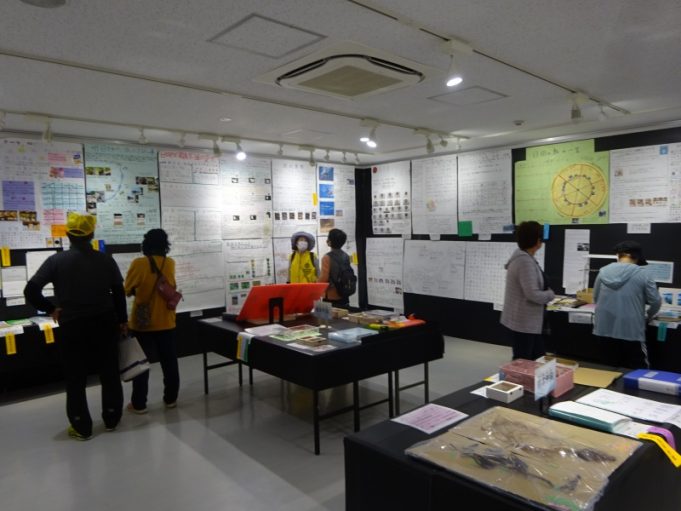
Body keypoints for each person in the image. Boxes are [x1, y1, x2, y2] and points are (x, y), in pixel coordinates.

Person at [24, 212, 127, 440]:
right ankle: (112, 418)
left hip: (72, 326)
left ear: (68, 234)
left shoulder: (56, 261)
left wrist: (51, 309)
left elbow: (30, 290)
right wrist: (122, 321)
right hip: (105, 324)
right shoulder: (105, 260)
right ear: (91, 234)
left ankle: (81, 427)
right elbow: (119, 293)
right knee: (109, 373)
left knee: (75, 377)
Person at [124, 229, 179, 413]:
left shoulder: (138, 263)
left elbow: (127, 289)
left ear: (146, 244)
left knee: (141, 365)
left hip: (143, 323)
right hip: (166, 322)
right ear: (165, 244)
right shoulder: (169, 263)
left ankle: (139, 404)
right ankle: (171, 399)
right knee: (169, 362)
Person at [593, 240, 661, 369]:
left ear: (618, 255)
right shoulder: (644, 274)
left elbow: (596, 298)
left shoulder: (603, 272)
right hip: (631, 329)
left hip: (604, 326)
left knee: (608, 368)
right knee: (638, 369)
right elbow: (656, 302)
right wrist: (648, 316)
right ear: (637, 257)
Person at [500, 221, 555, 360]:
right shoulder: (524, 262)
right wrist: (550, 295)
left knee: (537, 359)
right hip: (524, 322)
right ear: (537, 241)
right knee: (523, 362)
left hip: (525, 321)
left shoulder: (523, 257)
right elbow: (532, 294)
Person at [318, 228, 353, 307]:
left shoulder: (327, 257)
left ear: (330, 241)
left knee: (329, 315)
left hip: (331, 295)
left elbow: (324, 278)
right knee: (343, 314)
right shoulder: (346, 256)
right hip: (344, 292)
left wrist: (316, 286)